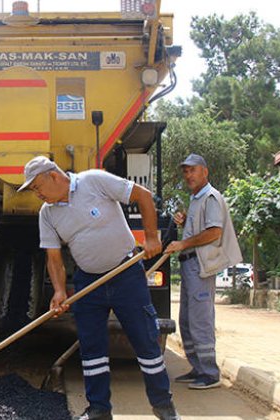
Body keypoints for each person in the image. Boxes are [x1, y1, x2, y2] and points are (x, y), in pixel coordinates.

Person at [18, 156, 180, 420]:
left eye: (37, 187)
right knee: (92, 349)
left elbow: (143, 196)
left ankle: (164, 406)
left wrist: (152, 236)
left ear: (54, 176)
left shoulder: (94, 181)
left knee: (146, 341)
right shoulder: (47, 215)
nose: (36, 194)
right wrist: (59, 291)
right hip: (89, 282)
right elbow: (54, 258)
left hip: (126, 274)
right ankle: (99, 410)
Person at [164, 154, 242, 390]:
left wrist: (183, 244)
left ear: (204, 172)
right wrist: (186, 221)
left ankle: (209, 373)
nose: (188, 175)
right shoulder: (197, 198)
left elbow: (213, 232)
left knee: (200, 319)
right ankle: (197, 368)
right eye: (185, 172)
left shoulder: (210, 197)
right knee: (187, 319)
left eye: (192, 170)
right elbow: (202, 227)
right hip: (191, 265)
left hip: (200, 265)